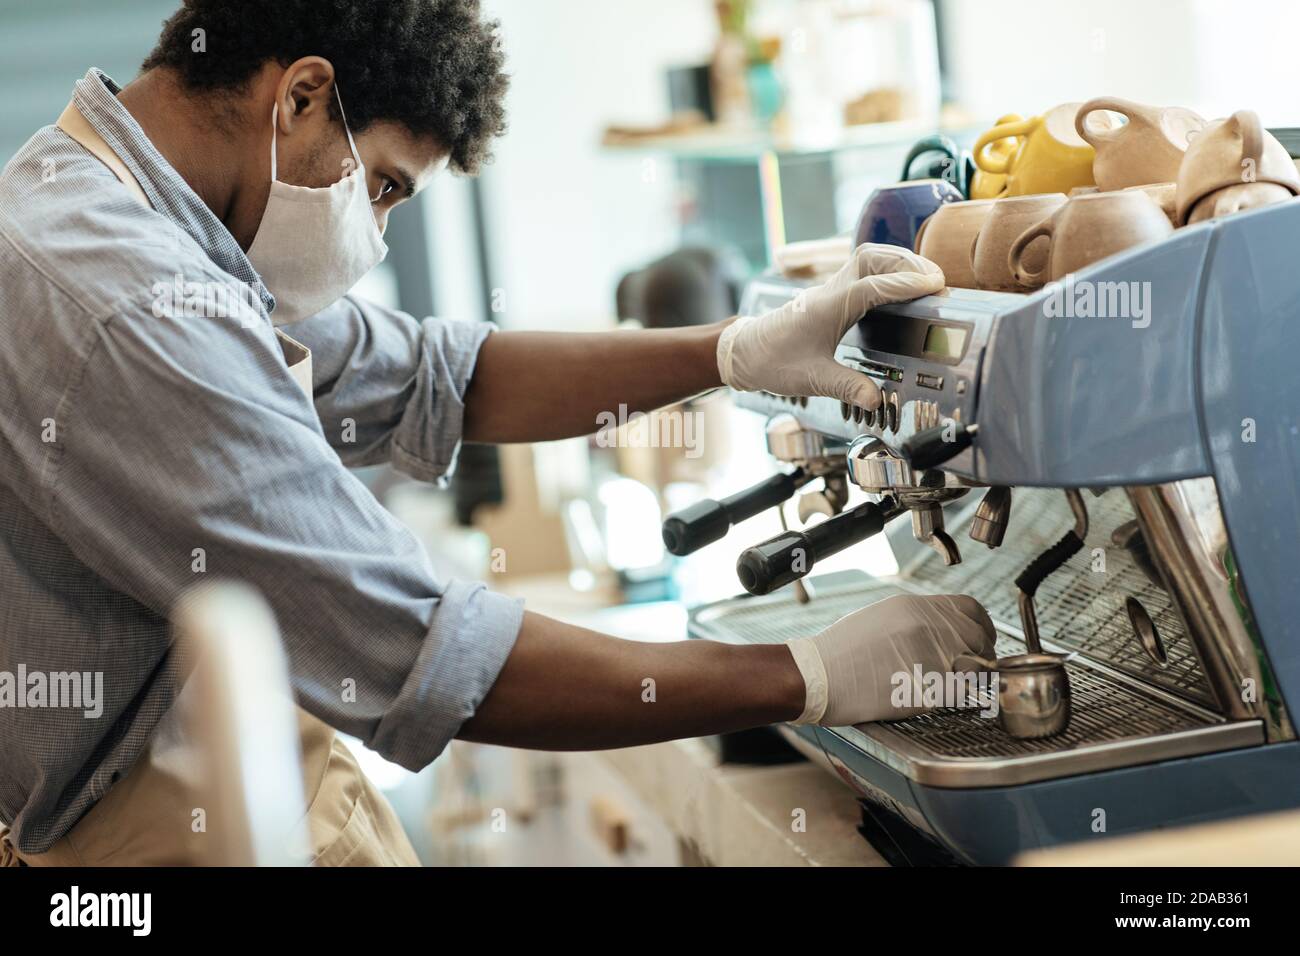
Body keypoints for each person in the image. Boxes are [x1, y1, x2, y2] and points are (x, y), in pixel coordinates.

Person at [0, 0, 995, 866]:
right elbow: (428, 652)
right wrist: (811, 675)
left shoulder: (111, 203)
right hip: (150, 828)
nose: (378, 230)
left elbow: (436, 375)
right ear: (303, 95)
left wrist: (733, 350)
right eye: (385, 185)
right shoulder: (126, 303)